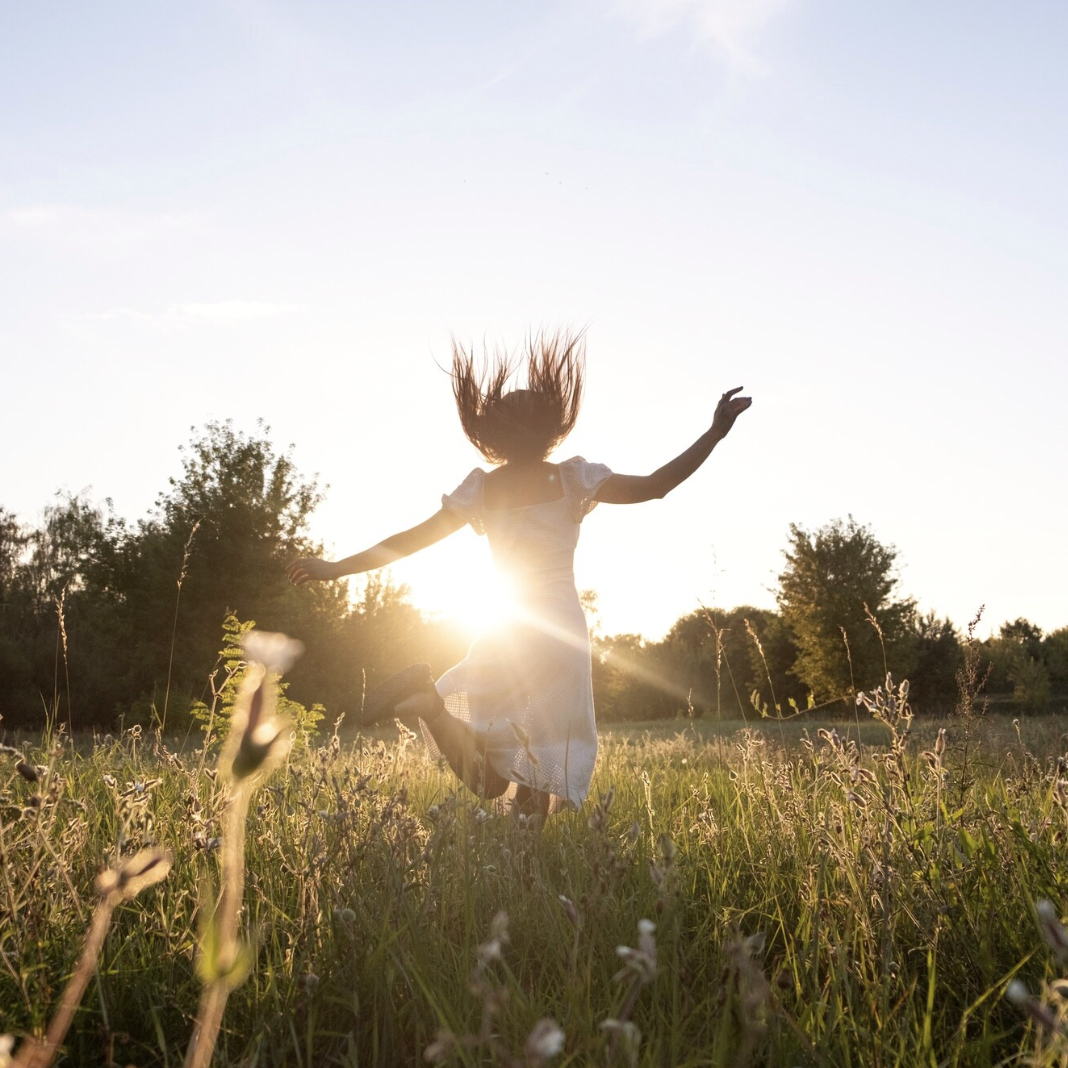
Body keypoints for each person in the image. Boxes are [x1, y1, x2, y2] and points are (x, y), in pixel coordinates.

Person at [288, 331, 751, 819]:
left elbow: (410, 540)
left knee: (499, 774)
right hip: (558, 635)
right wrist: (715, 433)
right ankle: (435, 717)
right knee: (537, 761)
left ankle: (431, 708)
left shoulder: (482, 489)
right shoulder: (572, 479)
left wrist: (337, 568)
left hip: (504, 630)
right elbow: (658, 486)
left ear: (496, 435)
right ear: (552, 428)